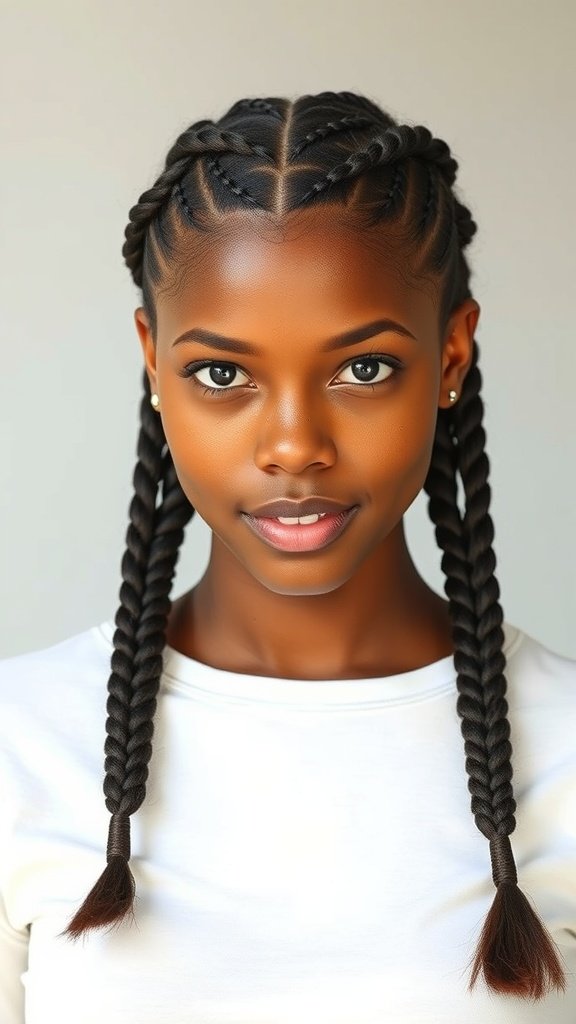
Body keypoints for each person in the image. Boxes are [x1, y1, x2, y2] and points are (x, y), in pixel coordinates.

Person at [1, 90, 574, 1023]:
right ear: (154, 363)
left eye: (364, 368)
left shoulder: (565, 750)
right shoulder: (17, 747)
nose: (294, 443)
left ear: (454, 354)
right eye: (222, 374)